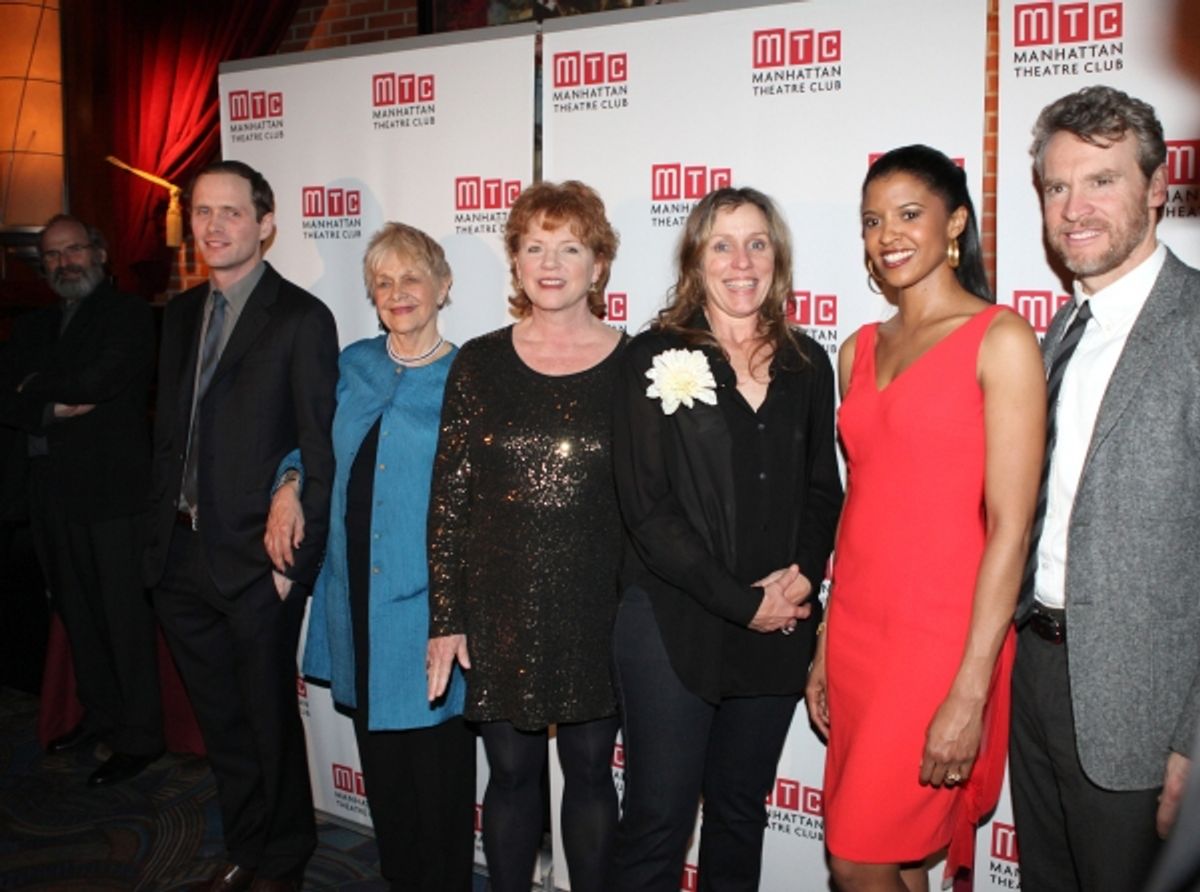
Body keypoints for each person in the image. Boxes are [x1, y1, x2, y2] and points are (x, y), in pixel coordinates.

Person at [809, 145, 1044, 892]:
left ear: (956, 223)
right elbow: (860, 507)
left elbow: (1012, 526)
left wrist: (971, 689)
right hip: (856, 631)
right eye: (873, 220)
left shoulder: (1001, 340)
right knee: (900, 857)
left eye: (910, 214)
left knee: (857, 858)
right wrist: (822, 636)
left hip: (940, 639)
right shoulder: (856, 350)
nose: (888, 235)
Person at [609, 186, 843, 892]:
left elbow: (821, 488)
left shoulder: (808, 361)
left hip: (777, 627)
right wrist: (742, 602)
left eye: (758, 243)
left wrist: (801, 575)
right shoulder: (651, 356)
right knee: (658, 818)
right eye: (722, 244)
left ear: (778, 259)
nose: (742, 261)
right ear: (695, 260)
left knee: (741, 813)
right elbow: (647, 511)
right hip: (674, 624)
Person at [1008, 84, 1200, 892]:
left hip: (1147, 710)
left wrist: (1194, 737)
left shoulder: (1193, 328)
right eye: (1058, 186)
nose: (1074, 207)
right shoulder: (1057, 332)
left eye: (1102, 180)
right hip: (1037, 677)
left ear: (1157, 189)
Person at [144, 160, 338, 892]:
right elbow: (172, 435)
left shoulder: (299, 319)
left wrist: (298, 565)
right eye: (202, 213)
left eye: (231, 212)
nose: (215, 226)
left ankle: (283, 858)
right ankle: (247, 844)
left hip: (260, 561)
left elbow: (320, 447)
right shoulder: (183, 314)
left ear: (265, 224)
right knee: (221, 723)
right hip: (178, 554)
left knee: (266, 721)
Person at [426, 180, 624, 892]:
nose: (550, 262)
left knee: (592, 774)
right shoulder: (477, 362)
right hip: (500, 603)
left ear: (598, 264)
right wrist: (447, 616)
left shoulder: (638, 366)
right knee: (510, 776)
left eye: (569, 247)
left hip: (600, 607)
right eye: (534, 246)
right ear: (513, 261)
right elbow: (448, 497)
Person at [272, 223, 475, 892]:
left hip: (429, 603)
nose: (398, 293)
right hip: (352, 593)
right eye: (383, 283)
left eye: (412, 277)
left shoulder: (470, 375)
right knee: (383, 767)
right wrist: (291, 482)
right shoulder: (352, 363)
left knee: (437, 769)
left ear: (442, 286)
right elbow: (316, 448)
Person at [0, 215, 162, 785]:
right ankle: (102, 716)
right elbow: (5, 395)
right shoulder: (32, 328)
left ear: (98, 251)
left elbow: (98, 383)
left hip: (113, 494)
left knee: (123, 619)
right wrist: (48, 403)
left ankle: (141, 734)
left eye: (73, 250)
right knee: (76, 615)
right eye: (51, 255)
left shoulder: (128, 314)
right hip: (48, 495)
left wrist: (33, 389)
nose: (64, 262)